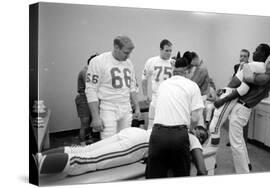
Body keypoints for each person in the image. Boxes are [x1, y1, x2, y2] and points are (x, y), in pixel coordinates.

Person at [36, 126, 208, 176]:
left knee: (83, 150)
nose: (199, 138)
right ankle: (33, 167)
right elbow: (202, 168)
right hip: (138, 143)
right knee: (86, 161)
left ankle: (37, 158)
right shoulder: (190, 138)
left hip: (133, 133)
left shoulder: (176, 124)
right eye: (201, 135)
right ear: (195, 132)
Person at [145, 54, 205, 179]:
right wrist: (189, 129)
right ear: (188, 71)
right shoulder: (192, 86)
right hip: (178, 136)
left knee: (154, 179)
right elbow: (195, 118)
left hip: (157, 135)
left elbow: (156, 110)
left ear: (174, 71)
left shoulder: (163, 85)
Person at [208, 44, 270, 146]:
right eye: (241, 55)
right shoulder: (250, 66)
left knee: (214, 127)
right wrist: (223, 91)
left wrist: (222, 100)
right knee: (215, 126)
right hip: (229, 93)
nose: (253, 52)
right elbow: (235, 83)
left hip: (231, 97)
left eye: (256, 50)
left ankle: (210, 158)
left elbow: (243, 88)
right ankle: (210, 158)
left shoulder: (255, 66)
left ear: (263, 53)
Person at [85, 36, 141, 139]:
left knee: (125, 140)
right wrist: (96, 117)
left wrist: (136, 107)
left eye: (129, 53)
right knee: (108, 142)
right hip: (108, 107)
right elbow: (91, 90)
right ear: (116, 47)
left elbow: (132, 86)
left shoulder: (128, 63)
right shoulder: (99, 61)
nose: (128, 56)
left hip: (126, 106)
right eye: (126, 53)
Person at [141, 39, 173, 129]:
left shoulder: (173, 63)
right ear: (160, 49)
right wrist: (145, 95)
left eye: (170, 51)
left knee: (167, 124)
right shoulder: (151, 61)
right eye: (166, 50)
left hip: (169, 98)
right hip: (156, 98)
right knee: (152, 125)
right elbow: (144, 79)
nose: (169, 53)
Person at [75, 53, 99, 145]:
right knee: (85, 123)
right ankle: (82, 144)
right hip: (84, 99)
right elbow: (91, 87)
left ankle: (88, 139)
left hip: (92, 98)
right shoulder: (86, 71)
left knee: (91, 122)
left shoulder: (93, 71)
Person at [183, 51, 210, 127]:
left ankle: (201, 134)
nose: (191, 64)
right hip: (201, 94)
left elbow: (194, 83)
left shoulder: (201, 69)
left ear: (195, 59)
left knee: (199, 118)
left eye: (191, 62)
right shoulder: (199, 67)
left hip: (202, 95)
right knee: (199, 117)